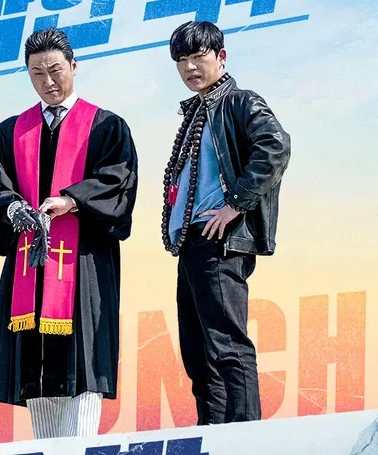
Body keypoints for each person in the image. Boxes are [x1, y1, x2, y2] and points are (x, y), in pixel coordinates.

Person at [0, 27, 138, 439]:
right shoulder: (12, 131)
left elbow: (119, 181)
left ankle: (80, 447)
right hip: (30, 265)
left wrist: (72, 200)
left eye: (55, 70)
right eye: (37, 73)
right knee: (36, 363)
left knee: (83, 360)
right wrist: (13, 208)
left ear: (74, 66)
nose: (48, 81)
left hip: (84, 264)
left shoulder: (106, 126)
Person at [160, 21, 290, 424]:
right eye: (182, 60)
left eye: (198, 57)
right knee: (198, 352)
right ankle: (213, 434)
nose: (189, 67)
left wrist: (236, 204)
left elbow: (275, 146)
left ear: (221, 57)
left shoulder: (238, 102)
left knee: (227, 344)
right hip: (193, 241)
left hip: (219, 239)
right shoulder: (198, 112)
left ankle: (245, 436)